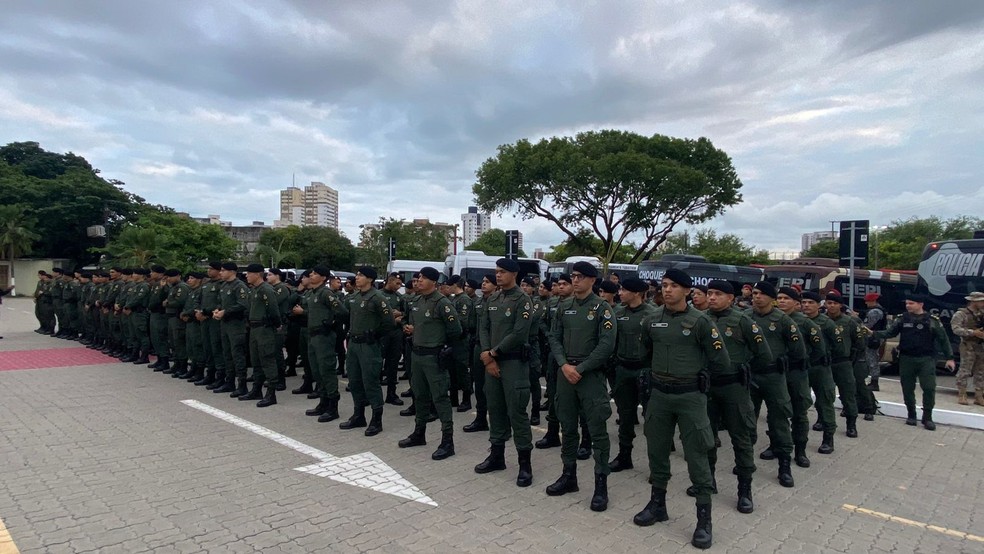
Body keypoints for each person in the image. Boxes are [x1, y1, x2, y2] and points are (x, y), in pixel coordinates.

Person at [632, 269, 728, 550]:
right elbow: (645, 354)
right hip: (660, 394)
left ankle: (704, 518)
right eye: (664, 285)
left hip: (690, 396)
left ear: (687, 290)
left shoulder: (700, 322)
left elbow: (720, 359)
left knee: (697, 454)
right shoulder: (651, 321)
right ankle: (657, 504)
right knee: (657, 450)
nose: (668, 290)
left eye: (674, 285)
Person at [545, 261, 616, 513]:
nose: (575, 280)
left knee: (597, 432)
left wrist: (581, 368)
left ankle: (600, 485)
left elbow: (606, 345)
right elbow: (554, 337)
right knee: (567, 427)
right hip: (566, 374)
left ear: (592, 280)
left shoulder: (602, 309)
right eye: (573, 276)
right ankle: (569, 476)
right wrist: (564, 365)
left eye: (580, 276)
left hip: (590, 377)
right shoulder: (564, 307)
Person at [701, 279, 771, 514]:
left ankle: (744, 490)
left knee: (741, 438)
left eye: (717, 294)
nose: (711, 297)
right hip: (707, 387)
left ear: (731, 298)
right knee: (706, 437)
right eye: (709, 293)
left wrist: (743, 368)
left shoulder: (743, 321)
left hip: (734, 388)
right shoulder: (700, 319)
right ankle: (707, 481)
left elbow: (763, 354)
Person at [476, 258, 535, 487]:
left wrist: (494, 353)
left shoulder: (523, 300)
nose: (497, 276)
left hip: (513, 364)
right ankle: (497, 456)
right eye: (496, 272)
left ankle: (525, 464)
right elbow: (484, 327)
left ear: (514, 274)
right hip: (491, 362)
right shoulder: (494, 298)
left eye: (502, 272)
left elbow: (520, 333)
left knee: (517, 412)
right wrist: (486, 355)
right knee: (496, 409)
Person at [397, 266, 462, 460]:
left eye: (423, 278)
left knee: (440, 398)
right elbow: (418, 325)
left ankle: (447, 441)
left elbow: (455, 330)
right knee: (420, 396)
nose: (419, 281)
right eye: (418, 278)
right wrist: (412, 330)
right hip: (417, 355)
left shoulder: (442, 303)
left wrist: (440, 343)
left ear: (433, 282)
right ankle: (419, 433)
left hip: (434, 357)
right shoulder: (416, 301)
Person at [745, 281, 803, 488]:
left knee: (779, 419)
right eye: (754, 293)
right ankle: (746, 462)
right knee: (747, 420)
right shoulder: (746, 318)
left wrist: (785, 359)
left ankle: (784, 466)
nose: (756, 297)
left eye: (761, 294)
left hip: (773, 376)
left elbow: (798, 349)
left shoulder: (783, 321)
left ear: (771, 298)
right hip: (750, 376)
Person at [871, 294, 955, 430]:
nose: (908, 305)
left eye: (911, 303)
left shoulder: (932, 321)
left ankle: (927, 417)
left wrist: (949, 358)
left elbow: (943, 340)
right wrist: (873, 333)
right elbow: (889, 333)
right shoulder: (902, 319)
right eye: (907, 303)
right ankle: (911, 414)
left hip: (926, 359)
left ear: (920, 304)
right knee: (907, 388)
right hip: (906, 358)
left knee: (929, 387)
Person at [608, 277, 658, 474]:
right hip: (623, 369)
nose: (620, 293)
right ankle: (624, 456)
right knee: (625, 415)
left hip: (645, 370)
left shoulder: (653, 314)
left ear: (637, 293)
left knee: (652, 419)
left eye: (624, 290)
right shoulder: (618, 312)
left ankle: (656, 465)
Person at [341, 266, 395, 436]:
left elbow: (389, 323)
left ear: (370, 279)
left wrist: (376, 334)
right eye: (357, 274)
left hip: (369, 346)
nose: (357, 277)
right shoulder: (354, 297)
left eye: (361, 275)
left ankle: (376, 419)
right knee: (355, 381)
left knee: (370, 381)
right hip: (354, 344)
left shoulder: (378, 298)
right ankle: (358, 415)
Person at [296, 266, 347, 422]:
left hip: (324, 337)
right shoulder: (312, 293)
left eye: (315, 274)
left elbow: (343, 312)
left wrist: (331, 323)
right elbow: (314, 312)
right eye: (311, 273)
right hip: (313, 336)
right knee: (317, 371)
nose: (311, 275)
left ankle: (333, 406)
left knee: (327, 371)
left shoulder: (326, 293)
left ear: (324, 278)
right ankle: (323, 402)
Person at [776, 287, 817, 468]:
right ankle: (775, 445)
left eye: (786, 298)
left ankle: (800, 451)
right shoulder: (772, 319)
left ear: (796, 302)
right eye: (779, 298)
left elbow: (819, 349)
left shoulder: (806, 323)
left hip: (796, 372)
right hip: (777, 373)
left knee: (799, 412)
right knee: (777, 412)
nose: (782, 301)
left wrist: (804, 363)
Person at [800, 291, 839, 454]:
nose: (807, 305)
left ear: (818, 305)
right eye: (804, 302)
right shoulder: (797, 321)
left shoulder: (827, 323)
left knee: (825, 402)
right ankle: (799, 438)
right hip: (802, 368)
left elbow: (839, 346)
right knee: (800, 402)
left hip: (821, 368)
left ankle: (828, 438)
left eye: (811, 302)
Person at [823, 295, 863, 435]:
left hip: (842, 362)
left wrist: (852, 357)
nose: (832, 306)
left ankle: (851, 425)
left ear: (840, 305)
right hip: (824, 363)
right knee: (824, 394)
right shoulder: (821, 320)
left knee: (848, 394)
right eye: (829, 303)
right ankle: (822, 420)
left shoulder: (849, 322)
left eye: (835, 303)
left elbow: (860, 342)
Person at [463, 274, 496, 433]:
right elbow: (471, 323)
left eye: (487, 282)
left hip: (493, 349)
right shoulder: (477, 302)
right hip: (478, 346)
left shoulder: (499, 301)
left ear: (495, 286)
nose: (483, 284)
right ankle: (481, 419)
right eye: (482, 281)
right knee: (479, 385)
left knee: (495, 388)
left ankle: (502, 422)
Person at [212, 262, 250, 396]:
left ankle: (242, 384)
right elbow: (220, 302)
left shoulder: (239, 286)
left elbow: (243, 304)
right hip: (225, 324)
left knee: (237, 355)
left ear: (232, 271)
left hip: (236, 325)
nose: (220, 273)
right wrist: (217, 310)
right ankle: (229, 382)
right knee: (227, 354)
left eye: (223, 271)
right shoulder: (224, 286)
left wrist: (226, 311)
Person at [950, 291, 984, 406]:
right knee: (965, 370)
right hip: (967, 345)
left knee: (980, 371)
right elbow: (956, 329)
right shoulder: (961, 314)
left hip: (980, 345)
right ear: (973, 301)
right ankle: (962, 394)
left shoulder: (982, 313)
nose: (983, 303)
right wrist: (973, 332)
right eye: (980, 301)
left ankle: (979, 396)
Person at [447, 275, 475, 412]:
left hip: (461, 339)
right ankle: (453, 398)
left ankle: (466, 399)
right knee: (451, 369)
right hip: (452, 339)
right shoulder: (454, 299)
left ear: (455, 285)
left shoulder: (464, 300)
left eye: (449, 285)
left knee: (462, 369)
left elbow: (462, 321)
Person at [520, 275, 544, 425]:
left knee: (534, 380)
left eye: (527, 285)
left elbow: (530, 319)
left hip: (532, 344)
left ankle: (535, 411)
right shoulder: (518, 302)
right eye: (522, 285)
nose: (524, 288)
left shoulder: (536, 303)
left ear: (533, 288)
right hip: (519, 344)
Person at [379, 273, 406, 406]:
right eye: (397, 283)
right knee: (376, 364)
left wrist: (400, 315)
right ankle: (373, 395)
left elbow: (406, 313)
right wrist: (391, 316)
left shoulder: (399, 298)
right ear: (390, 281)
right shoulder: (378, 296)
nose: (399, 286)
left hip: (395, 334)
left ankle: (391, 393)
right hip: (381, 333)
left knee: (393, 364)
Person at [163, 269, 191, 378]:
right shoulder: (173, 287)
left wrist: (168, 303)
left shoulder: (182, 287)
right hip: (171, 317)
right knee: (173, 343)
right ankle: (177, 364)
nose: (169, 279)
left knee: (179, 342)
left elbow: (180, 301)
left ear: (178, 276)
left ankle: (182, 366)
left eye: (170, 277)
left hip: (177, 317)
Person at [862, 293, 886, 391]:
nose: (866, 303)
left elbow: (868, 325)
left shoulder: (874, 312)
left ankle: (874, 382)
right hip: (875, 337)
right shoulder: (879, 310)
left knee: (872, 359)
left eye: (867, 301)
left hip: (873, 338)